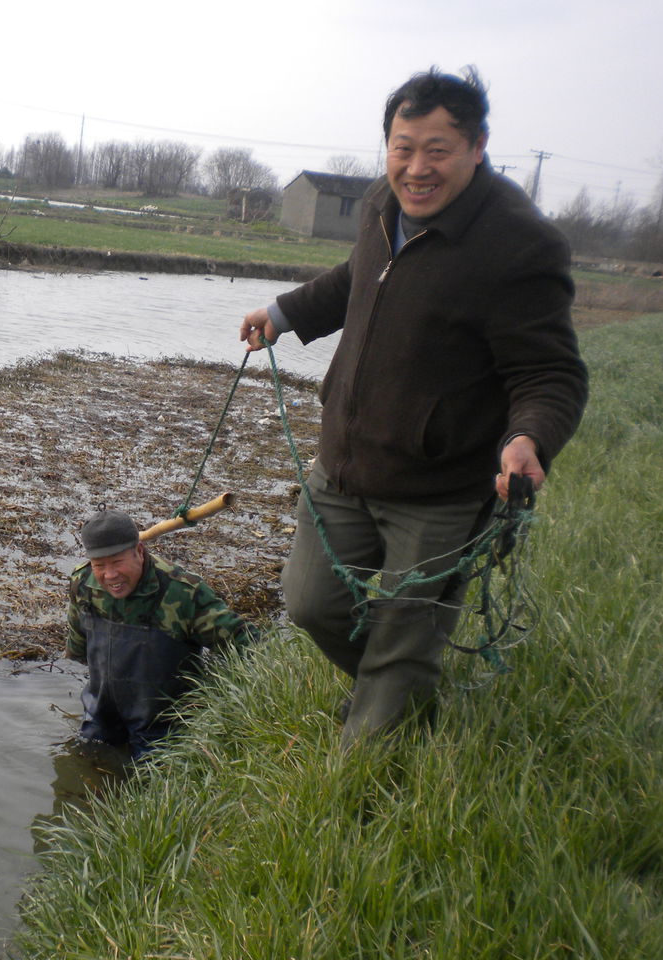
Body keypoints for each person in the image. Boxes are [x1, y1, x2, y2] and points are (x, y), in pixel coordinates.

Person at [239, 67, 588, 746]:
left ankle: (359, 789)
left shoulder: (519, 245)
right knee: (311, 604)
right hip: (344, 464)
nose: (417, 168)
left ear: (478, 146)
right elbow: (357, 280)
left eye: (437, 149)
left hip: (441, 490)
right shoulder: (382, 203)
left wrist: (530, 440)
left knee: (403, 642)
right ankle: (398, 692)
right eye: (403, 148)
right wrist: (282, 314)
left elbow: (551, 373)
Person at [66, 507, 261, 759]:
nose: (110, 575)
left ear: (139, 551)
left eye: (117, 562)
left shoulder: (183, 593)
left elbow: (248, 647)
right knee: (82, 774)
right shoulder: (83, 582)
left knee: (153, 783)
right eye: (99, 565)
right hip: (102, 716)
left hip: (166, 729)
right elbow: (78, 644)